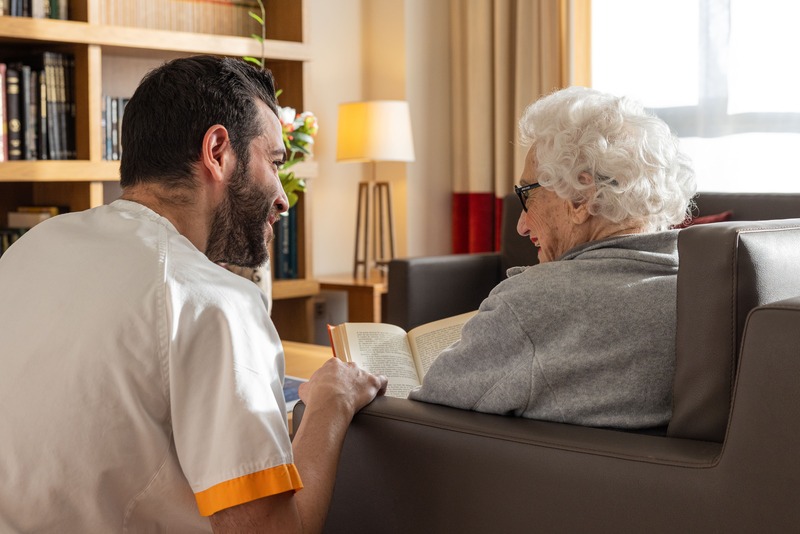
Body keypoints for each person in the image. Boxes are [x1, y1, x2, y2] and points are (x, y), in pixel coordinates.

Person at [0, 55, 387, 533]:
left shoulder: (32, 248)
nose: (283, 197)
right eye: (274, 161)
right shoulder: (214, 301)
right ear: (218, 150)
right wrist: (332, 401)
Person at [409, 86, 696, 430]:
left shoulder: (533, 303)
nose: (520, 224)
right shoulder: (701, 289)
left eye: (526, 194)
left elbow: (426, 412)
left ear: (580, 197)